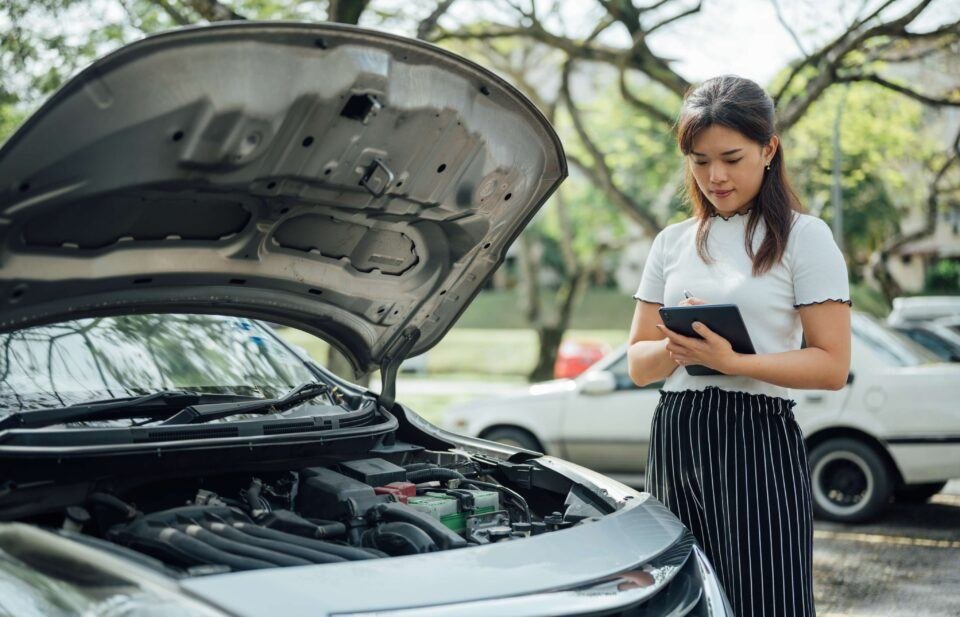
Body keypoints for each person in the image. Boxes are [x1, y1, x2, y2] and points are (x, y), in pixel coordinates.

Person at [627, 75, 851, 617]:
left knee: (765, 598)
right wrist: (681, 348)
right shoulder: (672, 241)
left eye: (731, 157)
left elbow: (831, 365)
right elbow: (638, 362)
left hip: (756, 438)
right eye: (700, 161)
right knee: (680, 600)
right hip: (677, 432)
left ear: (768, 148)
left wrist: (731, 362)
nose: (715, 176)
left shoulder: (805, 236)